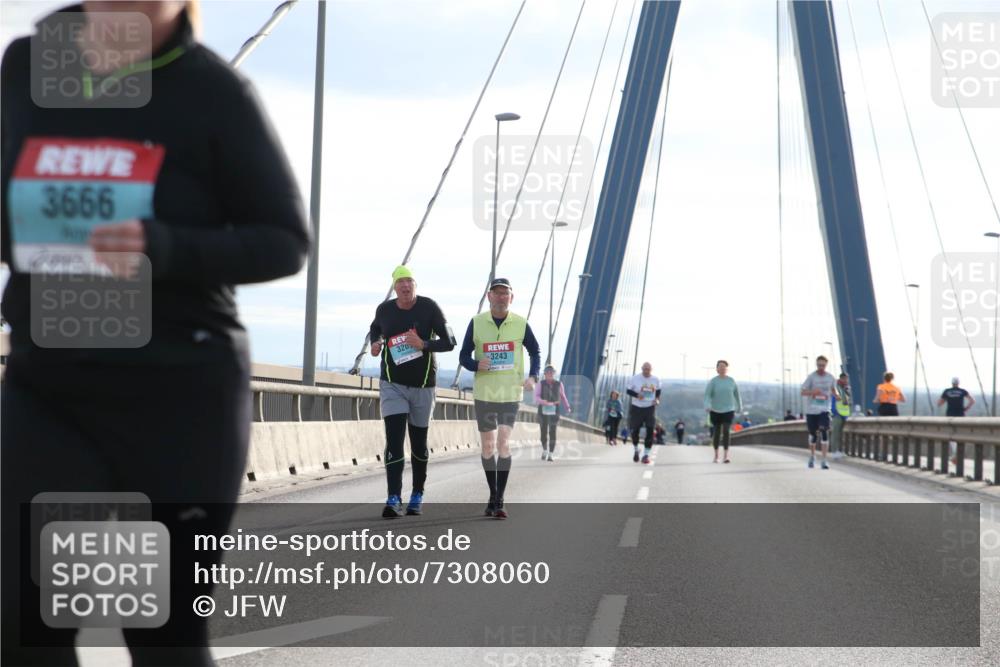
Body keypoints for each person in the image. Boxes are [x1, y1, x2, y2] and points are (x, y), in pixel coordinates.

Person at [1, 2, 310, 664]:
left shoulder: (214, 93)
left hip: (179, 396)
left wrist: (161, 246)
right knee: (26, 622)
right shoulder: (28, 66)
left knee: (160, 630)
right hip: (50, 388)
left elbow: (284, 242)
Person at [368, 265, 456, 518]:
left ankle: (417, 493)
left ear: (415, 286)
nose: (405, 287)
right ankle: (393, 497)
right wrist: (376, 342)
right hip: (392, 384)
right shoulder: (384, 309)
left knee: (418, 443)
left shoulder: (429, 308)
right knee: (394, 440)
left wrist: (424, 344)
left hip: (423, 385)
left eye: (410, 282)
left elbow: (450, 342)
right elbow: (376, 328)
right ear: (394, 288)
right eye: (400, 283)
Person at [458, 278, 540, 519]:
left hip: (509, 393)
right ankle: (492, 494)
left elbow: (535, 351)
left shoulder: (521, 324)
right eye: (497, 293)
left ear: (511, 298)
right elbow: (463, 354)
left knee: (503, 443)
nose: (501, 297)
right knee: (488, 446)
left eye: (506, 293)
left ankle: (500, 500)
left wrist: (533, 377)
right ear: (489, 296)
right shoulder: (476, 322)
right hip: (484, 393)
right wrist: (475, 364)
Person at [801, 355, 837, 469]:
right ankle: (812, 456)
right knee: (813, 435)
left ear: (826, 365)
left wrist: (840, 397)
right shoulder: (811, 377)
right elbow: (802, 392)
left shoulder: (831, 378)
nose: (821, 367)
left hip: (824, 410)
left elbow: (834, 391)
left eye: (823, 365)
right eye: (819, 365)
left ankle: (824, 460)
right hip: (811, 410)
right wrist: (813, 392)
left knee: (824, 431)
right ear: (816, 365)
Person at [704, 360, 742, 463]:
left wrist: (740, 406)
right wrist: (707, 405)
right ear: (717, 369)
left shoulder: (731, 381)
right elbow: (707, 395)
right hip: (715, 410)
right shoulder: (713, 381)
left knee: (726, 430)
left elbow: (737, 395)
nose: (722, 368)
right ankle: (716, 455)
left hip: (729, 410)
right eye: (720, 367)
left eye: (724, 367)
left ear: (727, 369)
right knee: (716, 432)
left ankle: (726, 455)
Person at [626, 362, 661, 464]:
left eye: (648, 369)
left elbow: (658, 391)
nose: (646, 371)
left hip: (650, 407)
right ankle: (636, 449)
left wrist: (657, 399)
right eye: (644, 369)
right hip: (637, 407)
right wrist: (637, 395)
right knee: (634, 430)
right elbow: (628, 391)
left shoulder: (656, 379)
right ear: (642, 369)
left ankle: (646, 455)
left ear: (651, 369)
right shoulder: (635, 378)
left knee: (650, 430)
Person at [534, 365, 571, 461]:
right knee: (543, 432)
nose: (550, 374)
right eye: (547, 372)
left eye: (552, 372)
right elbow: (536, 397)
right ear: (545, 374)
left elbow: (563, 396)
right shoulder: (540, 384)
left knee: (553, 432)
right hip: (543, 410)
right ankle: (545, 450)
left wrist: (567, 407)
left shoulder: (559, 384)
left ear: (554, 373)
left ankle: (550, 453)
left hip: (555, 410)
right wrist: (543, 402)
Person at [938, 377, 975, 465]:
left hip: (950, 415)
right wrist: (966, 408)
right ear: (958, 383)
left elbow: (939, 403)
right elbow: (972, 401)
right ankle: (957, 455)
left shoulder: (947, 391)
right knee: (960, 435)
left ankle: (956, 455)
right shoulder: (963, 391)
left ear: (952, 383)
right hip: (961, 415)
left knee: (951, 435)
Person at [830, 372, 852, 459]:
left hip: (843, 414)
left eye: (847, 379)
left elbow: (846, 401)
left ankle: (839, 451)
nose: (847, 380)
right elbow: (835, 399)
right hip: (837, 413)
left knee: (840, 434)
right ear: (842, 379)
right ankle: (834, 451)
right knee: (836, 433)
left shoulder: (845, 388)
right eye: (845, 379)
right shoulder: (836, 387)